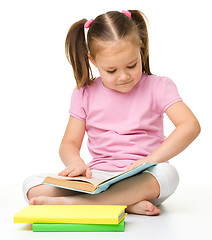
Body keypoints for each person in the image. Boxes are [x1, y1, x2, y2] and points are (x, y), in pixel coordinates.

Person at [24, 10, 200, 215]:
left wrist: (151, 160)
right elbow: (69, 143)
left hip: (143, 173)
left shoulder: (159, 86)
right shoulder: (84, 93)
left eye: (131, 65)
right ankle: (123, 202)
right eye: (111, 70)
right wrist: (75, 163)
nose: (124, 76)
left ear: (140, 48)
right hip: (98, 177)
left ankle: (83, 204)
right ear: (93, 61)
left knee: (168, 174)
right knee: (31, 185)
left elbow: (190, 125)